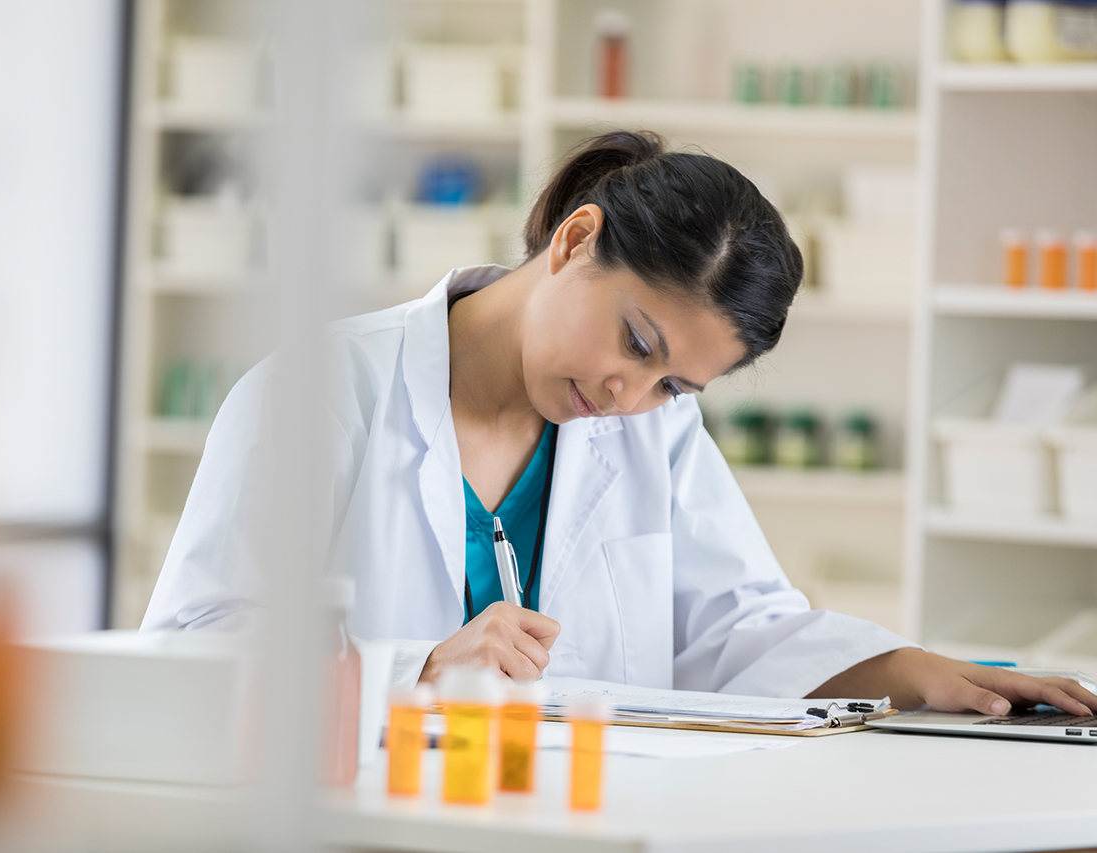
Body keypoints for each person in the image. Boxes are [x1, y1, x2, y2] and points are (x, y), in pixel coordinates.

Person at [142, 130, 1097, 716]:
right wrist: (415, 666)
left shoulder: (648, 427)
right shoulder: (318, 392)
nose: (629, 397)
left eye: (676, 385)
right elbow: (190, 645)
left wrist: (909, 667)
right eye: (636, 341)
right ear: (575, 238)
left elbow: (736, 627)